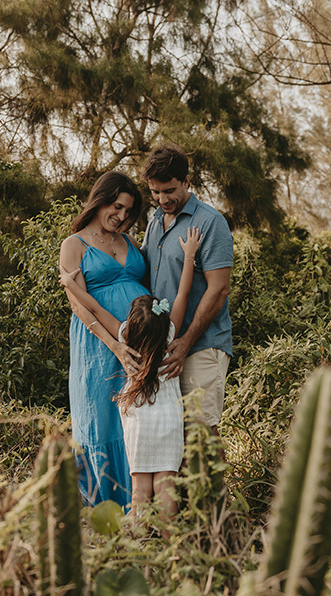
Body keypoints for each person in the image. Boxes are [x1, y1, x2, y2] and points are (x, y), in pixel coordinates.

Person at [63, 228, 202, 518]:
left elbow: (95, 308)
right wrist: (189, 257)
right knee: (166, 487)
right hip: (169, 422)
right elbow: (183, 295)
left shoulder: (125, 337)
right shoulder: (170, 336)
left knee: (139, 491)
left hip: (139, 422)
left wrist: (71, 285)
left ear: (131, 322)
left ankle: (138, 543)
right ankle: (169, 544)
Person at [58, 171, 147, 506]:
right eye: (118, 207)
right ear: (101, 199)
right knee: (101, 417)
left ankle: (140, 506)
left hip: (137, 343)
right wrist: (115, 346)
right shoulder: (74, 244)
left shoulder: (129, 242)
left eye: (128, 212)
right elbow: (78, 305)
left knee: (137, 417)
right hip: (98, 344)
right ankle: (103, 506)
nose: (122, 216)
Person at [141, 144, 233, 434]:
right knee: (172, 440)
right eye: (155, 192)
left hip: (201, 346)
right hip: (164, 347)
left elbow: (218, 289)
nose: (162, 199)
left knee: (202, 436)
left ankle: (214, 484)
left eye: (169, 190)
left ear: (186, 181)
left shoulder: (210, 222)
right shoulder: (154, 221)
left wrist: (186, 341)